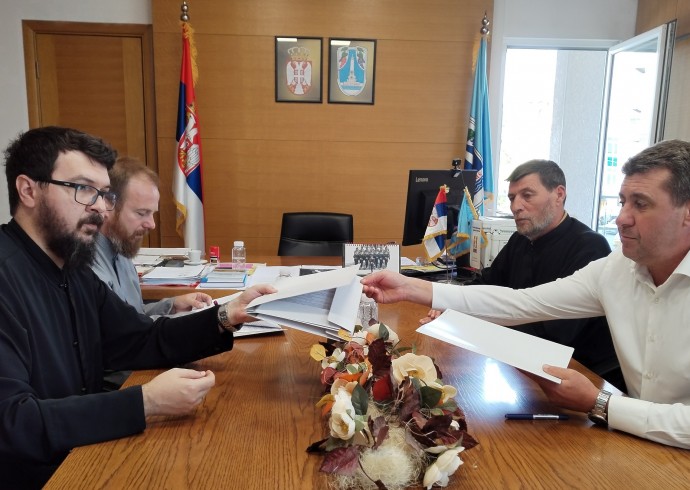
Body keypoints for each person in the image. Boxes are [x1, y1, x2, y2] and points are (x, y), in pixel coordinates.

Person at [362, 139, 690, 450]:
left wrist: (600, 403)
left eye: (641, 204)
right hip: (635, 441)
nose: (621, 219)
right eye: (622, 202)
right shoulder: (615, 269)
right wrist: (412, 288)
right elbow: (522, 303)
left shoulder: (593, 249)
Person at [0, 126, 275, 488]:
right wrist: (146, 402)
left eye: (104, 194)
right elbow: (13, 423)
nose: (100, 208)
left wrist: (226, 315)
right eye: (84, 189)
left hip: (85, 454)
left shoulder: (74, 269)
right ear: (28, 190)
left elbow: (139, 338)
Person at [425, 160, 623, 389]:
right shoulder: (521, 239)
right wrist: (451, 304)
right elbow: (488, 282)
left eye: (527, 196)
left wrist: (472, 322)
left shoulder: (590, 246)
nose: (515, 207)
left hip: (579, 375)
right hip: (522, 361)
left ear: (559, 195)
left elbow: (556, 333)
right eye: (512, 198)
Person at [92, 156, 211, 316]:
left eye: (152, 213)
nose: (152, 224)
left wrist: (171, 305)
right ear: (108, 204)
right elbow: (123, 329)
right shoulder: (87, 266)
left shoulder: (122, 247)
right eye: (142, 213)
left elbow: (135, 314)